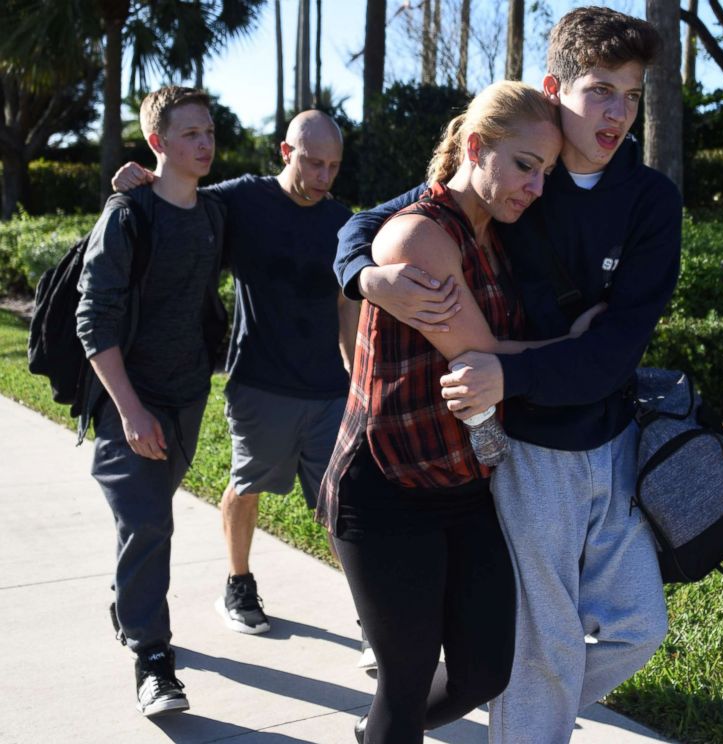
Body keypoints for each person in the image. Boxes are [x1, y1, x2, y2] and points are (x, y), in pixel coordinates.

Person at [333, 7, 680, 743]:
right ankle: (521, 719)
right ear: (554, 89)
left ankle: (525, 710)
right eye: (599, 90)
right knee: (536, 651)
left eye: (631, 95)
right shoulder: (517, 168)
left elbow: (614, 348)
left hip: (611, 441)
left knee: (637, 629)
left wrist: (504, 373)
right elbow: (375, 223)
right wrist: (366, 277)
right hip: (517, 454)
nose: (618, 111)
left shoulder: (648, 200)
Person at [318, 80, 600, 744]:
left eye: (546, 173)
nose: (535, 187)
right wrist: (587, 347)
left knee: (482, 673)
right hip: (385, 490)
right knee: (406, 681)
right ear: (476, 147)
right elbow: (482, 356)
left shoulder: (498, 231)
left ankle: (377, 737)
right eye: (524, 166)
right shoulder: (421, 235)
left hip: (462, 483)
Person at [112, 110, 359, 637]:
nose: (323, 177)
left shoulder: (340, 219)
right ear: (285, 153)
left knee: (347, 501)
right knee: (246, 486)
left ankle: (371, 612)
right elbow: (178, 202)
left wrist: (356, 371)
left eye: (333, 167)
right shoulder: (241, 199)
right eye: (313, 163)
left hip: (329, 390)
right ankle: (238, 581)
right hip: (260, 384)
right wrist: (141, 180)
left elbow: (346, 305)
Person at [76, 86, 227, 716]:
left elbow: (290, 188)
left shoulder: (216, 212)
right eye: (190, 133)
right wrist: (131, 411)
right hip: (129, 396)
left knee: (149, 515)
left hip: (187, 393)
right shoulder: (129, 213)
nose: (205, 143)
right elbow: (94, 319)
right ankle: (154, 660)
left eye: (210, 132)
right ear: (158, 142)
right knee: (148, 521)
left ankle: (126, 600)